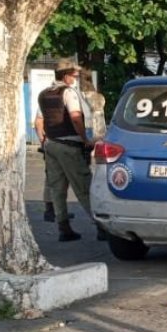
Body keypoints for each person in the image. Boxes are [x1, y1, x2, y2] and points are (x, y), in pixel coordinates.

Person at [34, 61, 103, 241]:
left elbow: (38, 121)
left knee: (57, 188)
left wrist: (44, 140)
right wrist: (85, 139)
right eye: (74, 75)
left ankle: (63, 228)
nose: (76, 79)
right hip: (69, 146)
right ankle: (101, 227)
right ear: (65, 76)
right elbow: (75, 117)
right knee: (84, 186)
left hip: (51, 144)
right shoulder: (68, 93)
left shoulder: (43, 94)